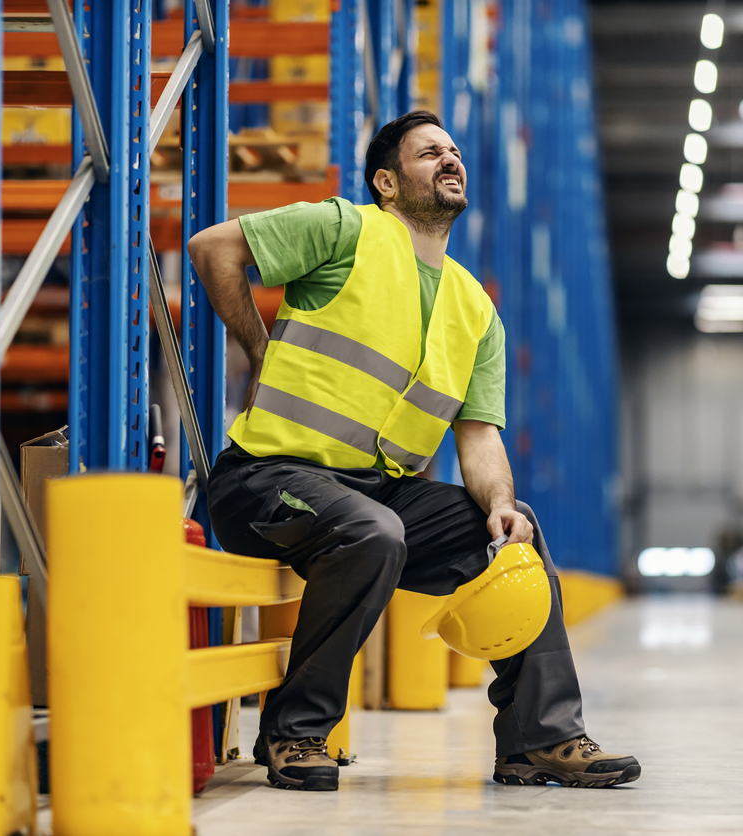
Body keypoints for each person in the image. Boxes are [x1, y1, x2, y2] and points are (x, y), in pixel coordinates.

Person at [187, 110, 640, 792]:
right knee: (375, 531)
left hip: (374, 492)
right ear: (388, 183)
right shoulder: (347, 228)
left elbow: (480, 434)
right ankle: (295, 732)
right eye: (429, 153)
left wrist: (500, 508)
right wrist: (257, 346)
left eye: (454, 151)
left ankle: (539, 737)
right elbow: (213, 247)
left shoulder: (474, 308)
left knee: (516, 538)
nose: (449, 159)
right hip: (265, 481)